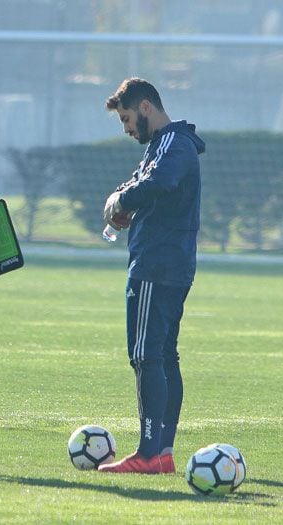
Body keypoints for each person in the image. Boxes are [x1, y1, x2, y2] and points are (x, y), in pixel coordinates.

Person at [98, 78, 205, 474]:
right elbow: (154, 187)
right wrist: (129, 207)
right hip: (169, 262)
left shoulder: (173, 144)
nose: (126, 128)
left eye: (126, 118)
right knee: (163, 355)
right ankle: (161, 452)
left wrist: (119, 200)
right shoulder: (165, 146)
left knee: (146, 356)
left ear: (145, 107)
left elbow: (160, 181)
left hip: (156, 264)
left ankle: (148, 452)